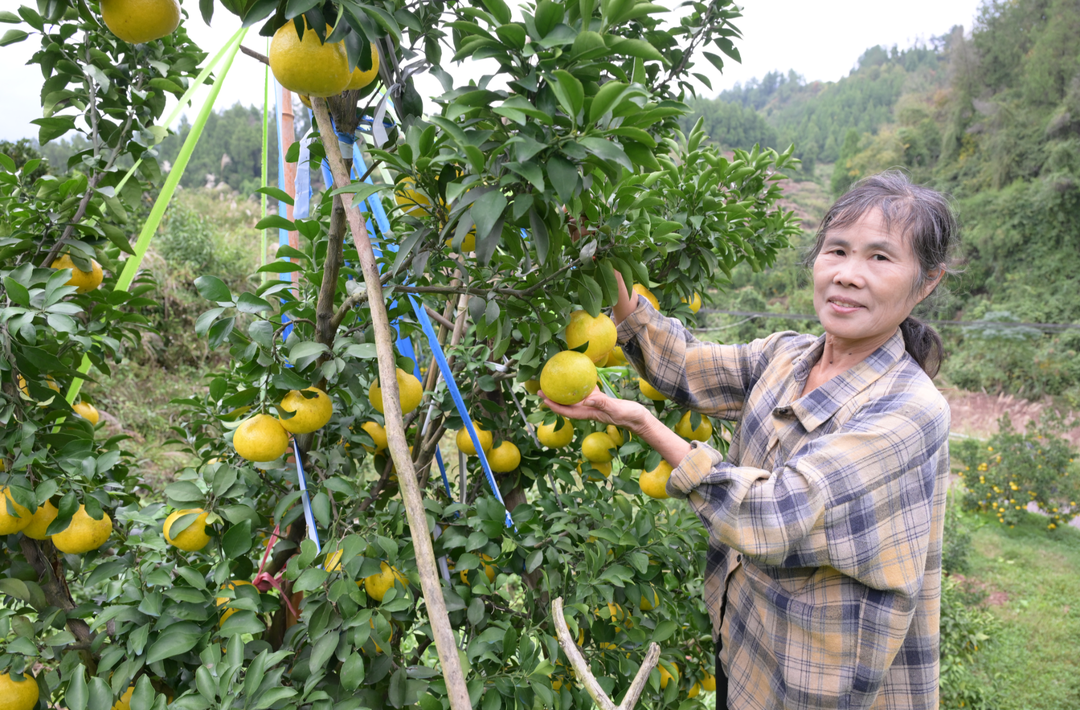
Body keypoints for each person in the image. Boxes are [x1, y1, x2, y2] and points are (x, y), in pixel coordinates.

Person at [542, 171, 957, 709]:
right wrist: (616, 288)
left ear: (926, 282)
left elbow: (774, 512)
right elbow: (686, 366)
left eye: (880, 258)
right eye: (837, 250)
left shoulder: (910, 409)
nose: (848, 275)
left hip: (820, 682)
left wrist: (644, 424)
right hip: (745, 645)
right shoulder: (789, 355)